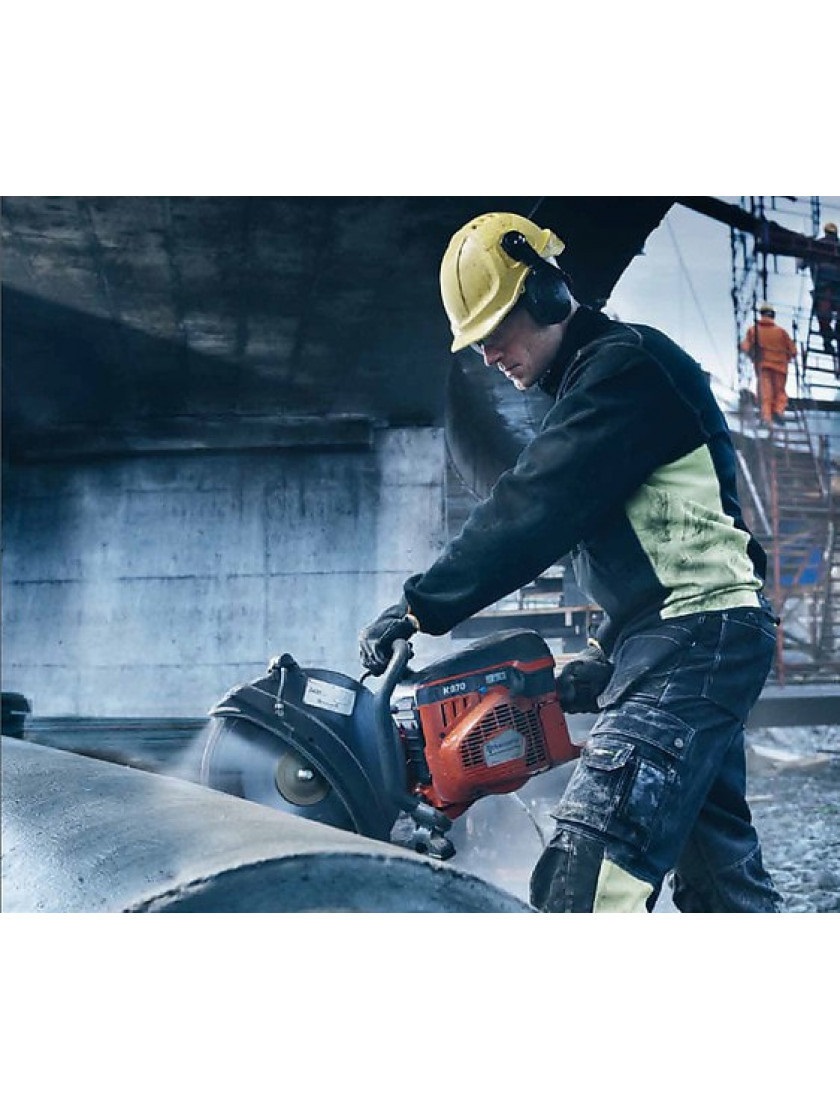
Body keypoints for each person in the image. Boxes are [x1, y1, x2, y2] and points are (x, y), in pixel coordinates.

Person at [359, 211, 783, 914]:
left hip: (694, 637)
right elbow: (654, 556)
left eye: (495, 329)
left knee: (585, 878)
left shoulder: (623, 368)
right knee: (722, 886)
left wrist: (419, 606)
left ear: (547, 295)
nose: (488, 355)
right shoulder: (598, 388)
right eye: (477, 341)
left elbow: (534, 506)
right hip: (693, 635)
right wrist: (608, 657)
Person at [739, 303, 797, 427]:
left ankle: (766, 418)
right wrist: (784, 357)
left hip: (763, 366)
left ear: (761, 315)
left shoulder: (753, 331)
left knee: (765, 394)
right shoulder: (781, 332)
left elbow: (745, 347)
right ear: (773, 316)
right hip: (780, 367)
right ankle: (778, 411)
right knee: (780, 392)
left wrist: (752, 354)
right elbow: (793, 351)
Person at [798, 220, 840, 355]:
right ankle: (833, 337)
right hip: (835, 287)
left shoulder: (816, 245)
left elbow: (802, 264)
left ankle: (828, 341)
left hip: (823, 287)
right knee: (829, 315)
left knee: (823, 316)